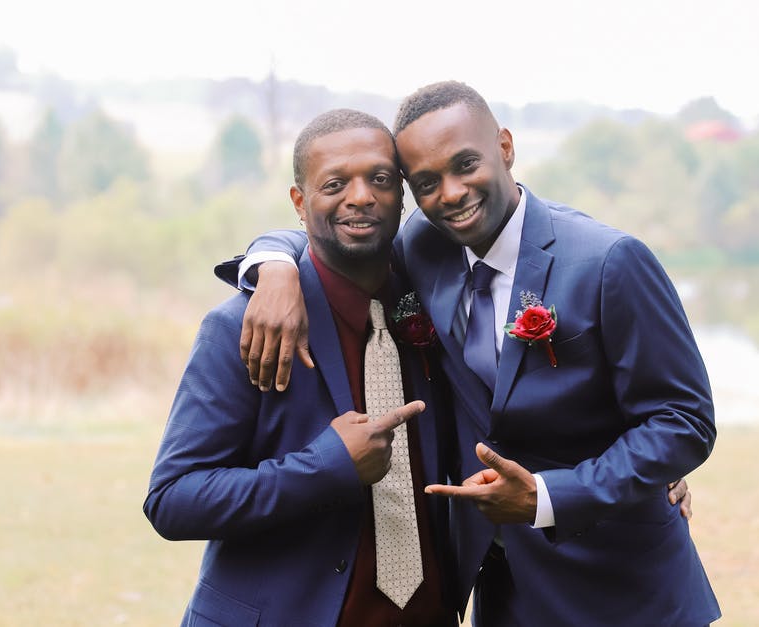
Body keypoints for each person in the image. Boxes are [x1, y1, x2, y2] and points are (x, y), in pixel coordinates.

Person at [234, 81, 720, 626]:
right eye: (426, 182)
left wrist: (548, 496)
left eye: (466, 165)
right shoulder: (426, 247)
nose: (452, 192)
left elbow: (684, 422)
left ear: (505, 147)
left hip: (623, 589)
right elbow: (339, 229)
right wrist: (272, 265)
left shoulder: (609, 261)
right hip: (503, 590)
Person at [144, 109, 460, 626]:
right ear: (299, 200)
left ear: (401, 191)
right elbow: (173, 500)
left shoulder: (432, 297)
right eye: (335, 183)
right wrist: (326, 466)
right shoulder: (243, 327)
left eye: (379, 179)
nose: (360, 196)